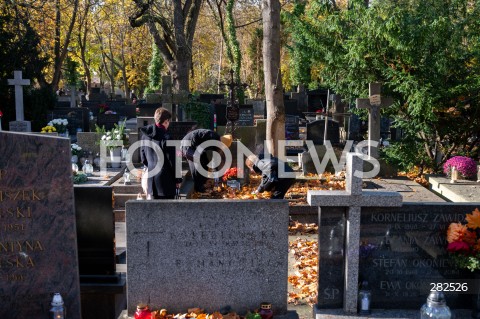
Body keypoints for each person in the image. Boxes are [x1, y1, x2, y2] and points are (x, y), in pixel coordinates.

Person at [140, 107, 181, 199]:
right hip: (166, 180)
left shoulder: (145, 136)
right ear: (166, 121)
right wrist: (178, 179)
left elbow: (143, 158)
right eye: (168, 121)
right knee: (167, 211)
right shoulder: (167, 137)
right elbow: (173, 161)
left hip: (151, 180)